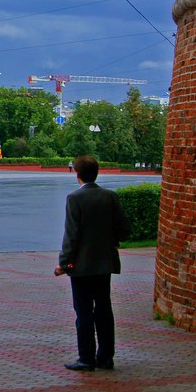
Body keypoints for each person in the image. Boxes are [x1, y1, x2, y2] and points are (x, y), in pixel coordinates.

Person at [54, 155, 130, 371]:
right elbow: (124, 231)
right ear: (97, 173)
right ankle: (106, 357)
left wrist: (63, 264)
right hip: (104, 264)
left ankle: (86, 358)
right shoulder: (110, 197)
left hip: (80, 267)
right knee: (104, 309)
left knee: (84, 312)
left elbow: (72, 236)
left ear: (77, 175)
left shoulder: (75, 198)